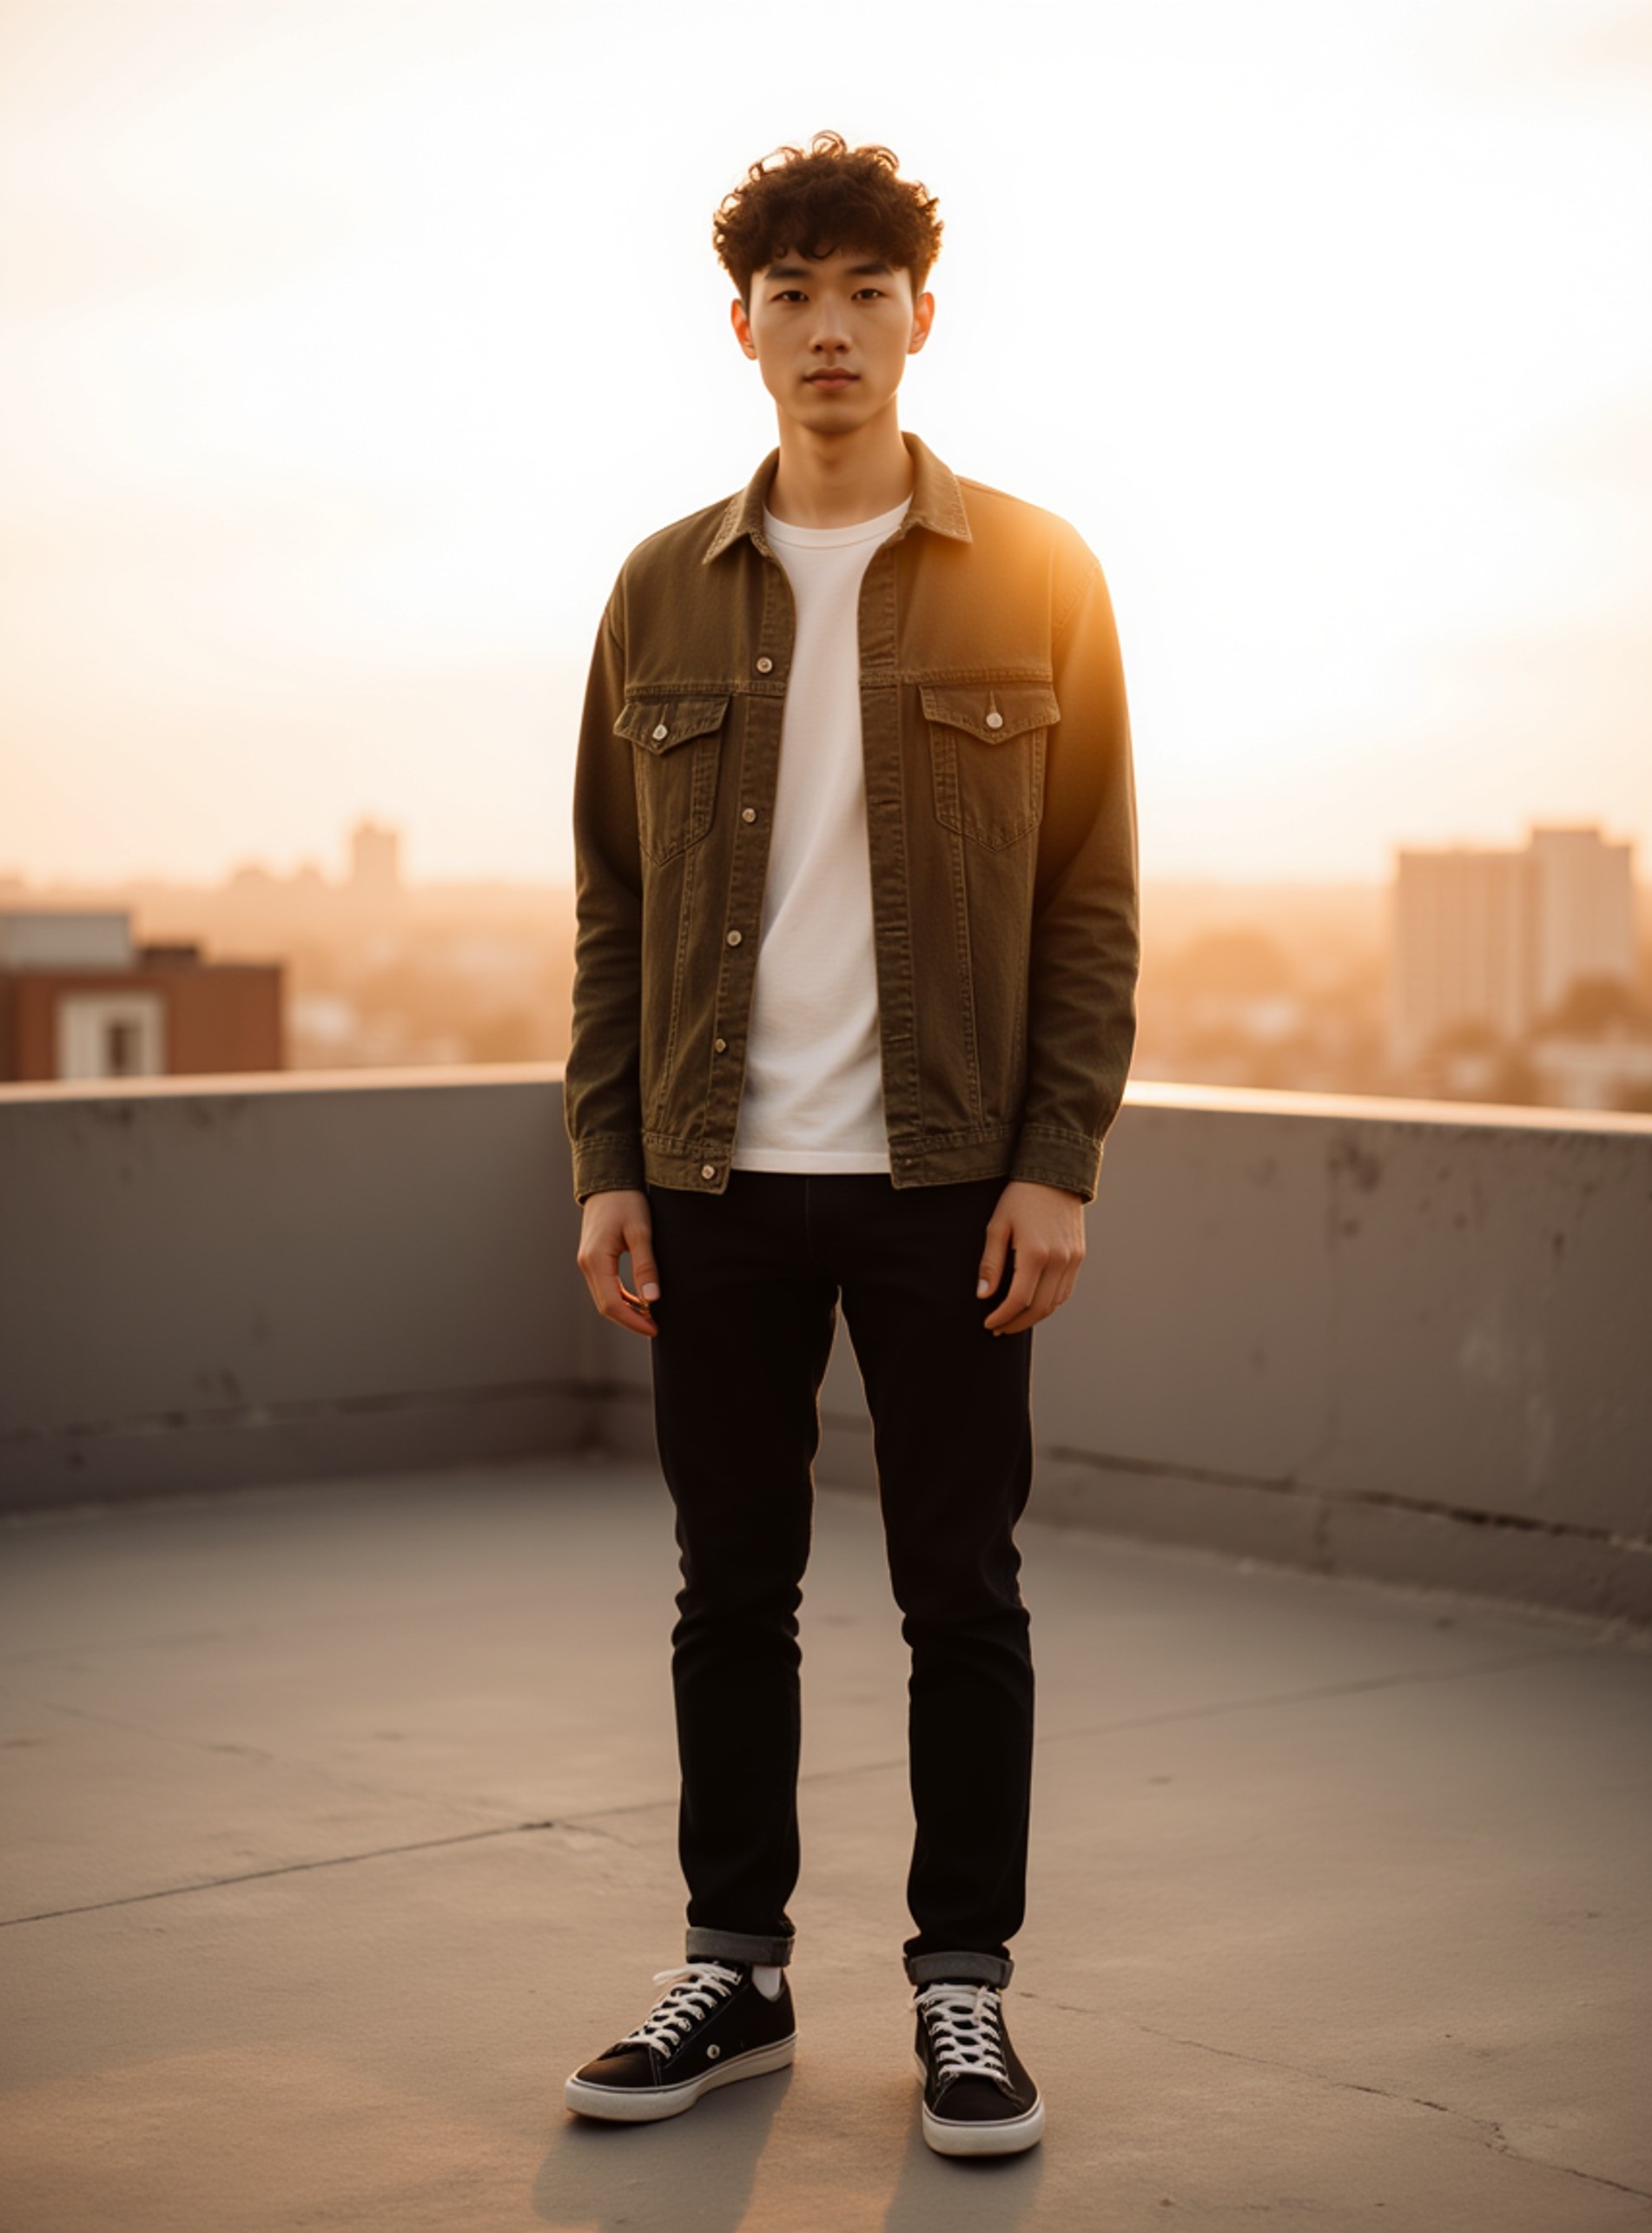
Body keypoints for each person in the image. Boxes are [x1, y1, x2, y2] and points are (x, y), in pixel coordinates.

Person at [559, 131, 1139, 2158]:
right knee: (732, 1583)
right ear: (742, 329)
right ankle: (736, 1960)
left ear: (918, 317)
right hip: (716, 1177)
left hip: (946, 1178)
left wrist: (1054, 1157)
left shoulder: (1040, 571)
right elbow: (614, 904)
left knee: (957, 1586)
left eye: (864, 292)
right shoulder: (657, 586)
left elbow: (1090, 897)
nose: (828, 330)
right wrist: (607, 1157)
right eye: (791, 295)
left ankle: (961, 1987)